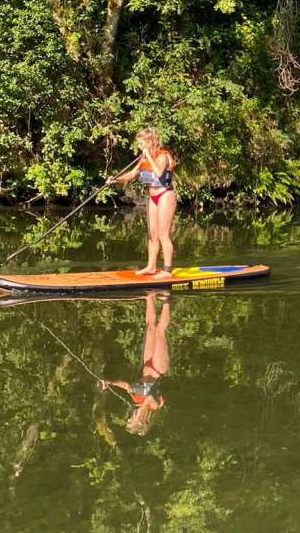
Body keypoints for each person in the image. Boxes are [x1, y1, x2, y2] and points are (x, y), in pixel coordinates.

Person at [100, 291, 170, 435]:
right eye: (132, 420)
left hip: (147, 364)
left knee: (150, 327)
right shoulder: (155, 405)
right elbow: (149, 394)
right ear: (142, 421)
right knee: (160, 331)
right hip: (158, 368)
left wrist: (110, 383)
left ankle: (149, 296)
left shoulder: (135, 399)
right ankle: (167, 300)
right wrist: (141, 410)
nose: (130, 417)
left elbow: (126, 386)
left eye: (129, 419)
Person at [110, 127, 176, 278]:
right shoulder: (143, 158)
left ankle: (167, 270)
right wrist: (115, 180)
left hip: (165, 194)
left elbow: (159, 173)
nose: (139, 147)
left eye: (141, 144)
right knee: (152, 235)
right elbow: (132, 174)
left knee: (163, 235)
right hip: (152, 196)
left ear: (150, 142)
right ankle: (151, 267)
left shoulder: (163, 156)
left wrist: (149, 157)